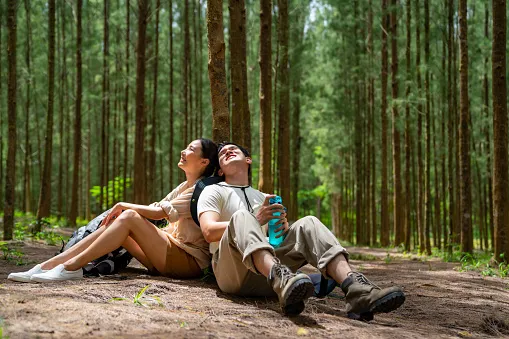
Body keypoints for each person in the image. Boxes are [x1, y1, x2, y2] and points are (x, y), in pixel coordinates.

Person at [197, 142, 405, 320]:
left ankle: (356, 289)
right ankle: (281, 277)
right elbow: (208, 231)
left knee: (309, 222)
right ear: (220, 170)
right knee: (242, 216)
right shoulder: (213, 190)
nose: (228, 151)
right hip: (232, 272)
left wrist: (286, 233)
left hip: (271, 277)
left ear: (248, 160)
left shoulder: (264, 197)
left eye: (234, 149)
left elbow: (275, 238)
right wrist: (256, 218)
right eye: (223, 153)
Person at [8, 138, 218, 283]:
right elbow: (155, 207)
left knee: (128, 216)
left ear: (204, 161)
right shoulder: (184, 187)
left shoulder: (202, 190)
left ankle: (71, 268)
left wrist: (122, 205)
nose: (183, 151)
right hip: (166, 256)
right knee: (120, 224)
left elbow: (157, 214)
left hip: (186, 262)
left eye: (191, 149)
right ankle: (48, 265)